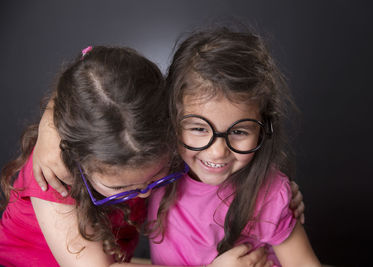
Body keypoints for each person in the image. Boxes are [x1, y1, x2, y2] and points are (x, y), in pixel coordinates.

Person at [0, 46, 271, 267]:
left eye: (156, 178)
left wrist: (274, 193)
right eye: (119, 188)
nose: (142, 195)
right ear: (78, 159)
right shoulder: (54, 177)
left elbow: (89, 62)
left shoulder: (153, 126)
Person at [145, 27, 321, 267]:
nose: (218, 152)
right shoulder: (152, 172)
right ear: (172, 119)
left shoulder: (268, 195)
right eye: (198, 129)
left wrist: (281, 197)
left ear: (264, 127)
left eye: (238, 132)